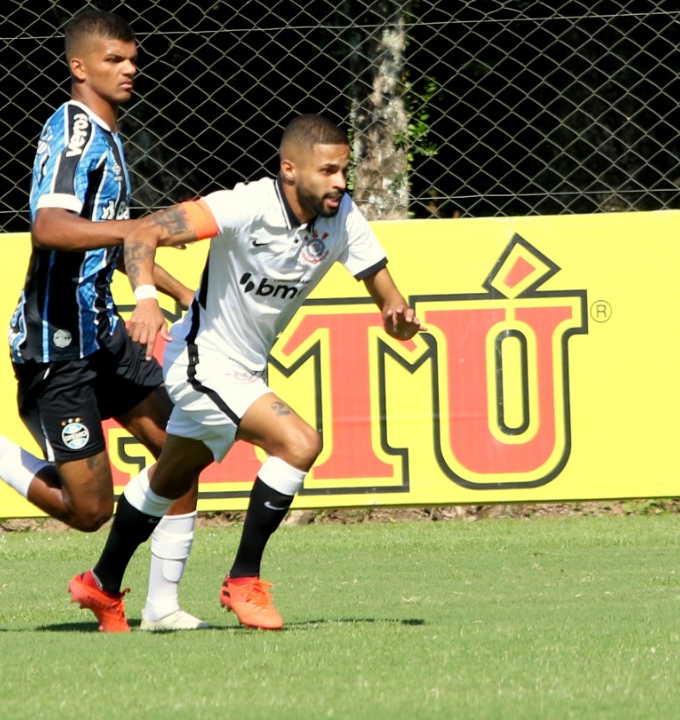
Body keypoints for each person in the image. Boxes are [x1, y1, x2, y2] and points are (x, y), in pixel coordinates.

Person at [69, 113, 426, 632]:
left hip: (245, 371)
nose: (340, 182)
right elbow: (144, 232)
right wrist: (146, 299)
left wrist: (397, 317)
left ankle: (101, 583)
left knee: (171, 476)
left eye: (343, 170)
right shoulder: (246, 205)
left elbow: (387, 294)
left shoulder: (342, 215)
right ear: (289, 170)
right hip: (200, 360)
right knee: (300, 441)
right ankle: (243, 581)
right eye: (327, 171)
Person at [0, 9, 207, 632]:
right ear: (79, 67)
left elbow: (104, 244)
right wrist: (137, 228)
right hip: (57, 347)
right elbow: (49, 229)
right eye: (113, 60)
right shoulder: (74, 134)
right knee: (89, 509)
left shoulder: (109, 134)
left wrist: (177, 290)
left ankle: (162, 606)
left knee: (183, 454)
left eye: (132, 58)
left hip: (105, 333)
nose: (130, 69)